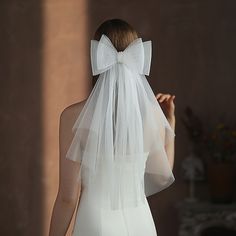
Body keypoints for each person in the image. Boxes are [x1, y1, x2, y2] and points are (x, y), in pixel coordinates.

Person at [49, 18, 176, 236]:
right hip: (141, 223)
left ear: (96, 57)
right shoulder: (152, 114)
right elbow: (162, 175)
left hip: (96, 223)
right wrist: (169, 124)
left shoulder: (72, 116)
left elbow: (67, 197)